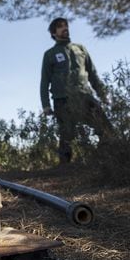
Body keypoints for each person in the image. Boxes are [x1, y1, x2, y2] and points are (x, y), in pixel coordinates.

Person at [40, 17, 113, 164]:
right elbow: (44, 81)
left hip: (85, 96)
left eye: (66, 25)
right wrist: (46, 105)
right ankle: (65, 169)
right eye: (60, 27)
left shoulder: (80, 49)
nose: (65, 28)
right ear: (54, 33)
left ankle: (101, 161)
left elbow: (93, 75)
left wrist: (103, 95)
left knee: (106, 129)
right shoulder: (50, 54)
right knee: (67, 134)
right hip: (62, 99)